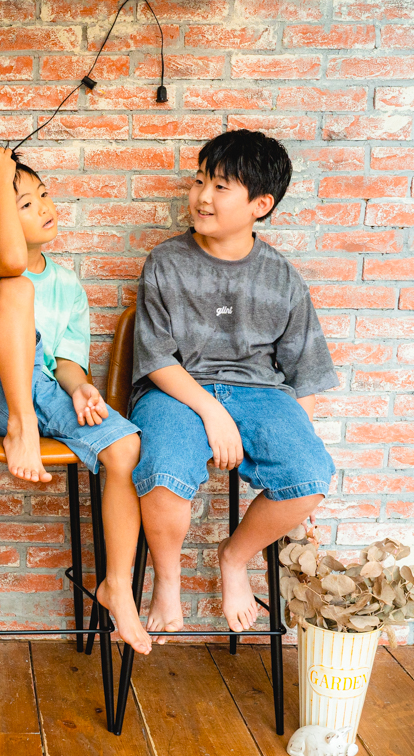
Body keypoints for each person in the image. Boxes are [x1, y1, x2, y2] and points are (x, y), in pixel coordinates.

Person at [130, 129, 337, 639]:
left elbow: (305, 375)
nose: (203, 196)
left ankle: (234, 558)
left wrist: (294, 452)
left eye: (221, 187)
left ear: (260, 205)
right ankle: (167, 579)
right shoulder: (165, 262)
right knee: (162, 470)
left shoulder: (283, 278)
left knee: (310, 474)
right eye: (200, 181)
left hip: (261, 394)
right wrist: (212, 411)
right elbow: (156, 359)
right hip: (176, 390)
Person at [0, 147, 151, 654]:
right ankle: (22, 427)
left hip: (44, 392)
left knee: (125, 447)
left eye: (42, 194)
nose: (43, 207)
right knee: (17, 291)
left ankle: (117, 587)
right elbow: (13, 264)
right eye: (23, 204)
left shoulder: (68, 284)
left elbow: (67, 363)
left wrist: (80, 388)